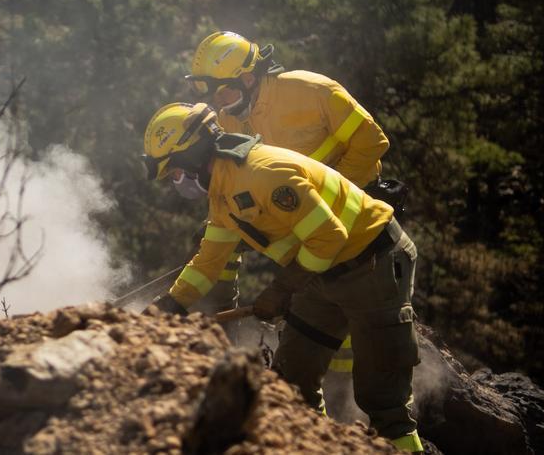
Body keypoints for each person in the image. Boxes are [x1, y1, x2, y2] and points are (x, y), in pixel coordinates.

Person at [142, 102, 423, 453]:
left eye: (175, 174)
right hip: (320, 272)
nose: (176, 184)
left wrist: (281, 290)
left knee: (382, 398)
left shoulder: (264, 174)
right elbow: (209, 260)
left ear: (193, 156)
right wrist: (170, 305)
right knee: (292, 382)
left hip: (372, 264)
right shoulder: (223, 190)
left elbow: (329, 236)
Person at [184, 31, 399, 378]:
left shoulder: (312, 91)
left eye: (222, 89)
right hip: (291, 216)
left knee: (337, 299)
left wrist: (329, 196)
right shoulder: (229, 118)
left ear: (249, 77)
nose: (217, 101)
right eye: (209, 92)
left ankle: (344, 391)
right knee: (214, 241)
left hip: (350, 212)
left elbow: (373, 143)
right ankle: (221, 342)